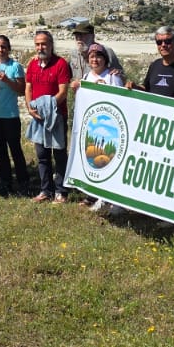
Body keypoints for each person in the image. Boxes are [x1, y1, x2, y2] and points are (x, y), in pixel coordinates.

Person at [24, 29, 72, 203]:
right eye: (37, 44)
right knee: (42, 154)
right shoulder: (32, 65)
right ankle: (46, 190)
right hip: (38, 117)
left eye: (44, 43)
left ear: (51, 45)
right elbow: (28, 87)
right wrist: (30, 107)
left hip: (56, 117)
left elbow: (63, 92)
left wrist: (48, 108)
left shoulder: (61, 64)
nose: (40, 47)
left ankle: (61, 191)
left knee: (59, 154)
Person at [79, 42, 126, 216]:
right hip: (93, 130)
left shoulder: (113, 77)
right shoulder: (85, 78)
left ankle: (116, 202)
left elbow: (121, 101)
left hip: (111, 130)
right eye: (92, 57)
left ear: (105, 60)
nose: (95, 60)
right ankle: (100, 197)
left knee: (112, 164)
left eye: (98, 56)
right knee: (98, 164)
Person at [0, 35, 29, 196]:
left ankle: (23, 183)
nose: (1, 50)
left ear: (9, 48)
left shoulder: (15, 66)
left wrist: (7, 80)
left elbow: (20, 90)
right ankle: (6, 183)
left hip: (10, 116)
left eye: (3, 47)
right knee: (0, 152)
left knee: (15, 151)